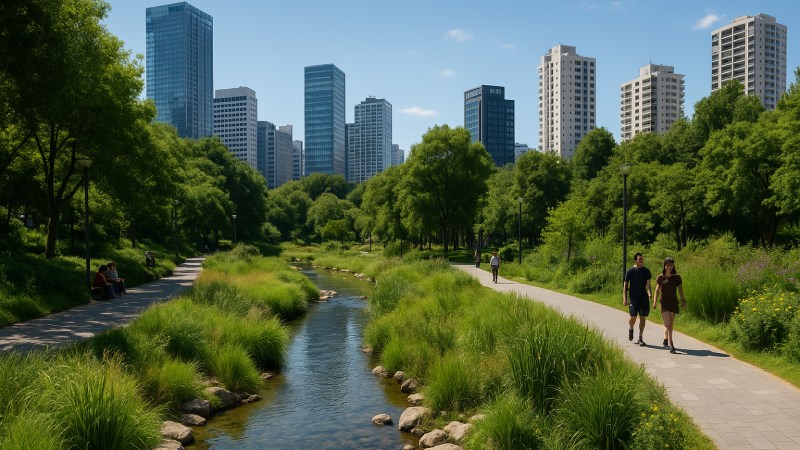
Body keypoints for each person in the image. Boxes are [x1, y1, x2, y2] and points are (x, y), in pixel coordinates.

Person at [653, 257, 686, 354]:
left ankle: (666, 338)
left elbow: (680, 291)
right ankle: (671, 344)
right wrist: (654, 302)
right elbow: (656, 290)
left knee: (670, 324)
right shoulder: (660, 277)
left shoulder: (677, 277)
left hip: (673, 303)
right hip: (664, 303)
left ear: (673, 266)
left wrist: (683, 300)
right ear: (664, 266)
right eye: (668, 265)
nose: (669, 267)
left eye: (671, 265)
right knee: (668, 324)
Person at [623, 252, 652, 346]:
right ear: (635, 260)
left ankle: (640, 338)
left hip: (643, 298)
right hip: (633, 298)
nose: (641, 261)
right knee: (633, 317)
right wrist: (625, 298)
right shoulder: (630, 271)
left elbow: (648, 284)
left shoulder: (646, 271)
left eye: (642, 259)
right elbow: (625, 286)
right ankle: (631, 328)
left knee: (643, 317)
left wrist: (649, 293)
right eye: (639, 259)